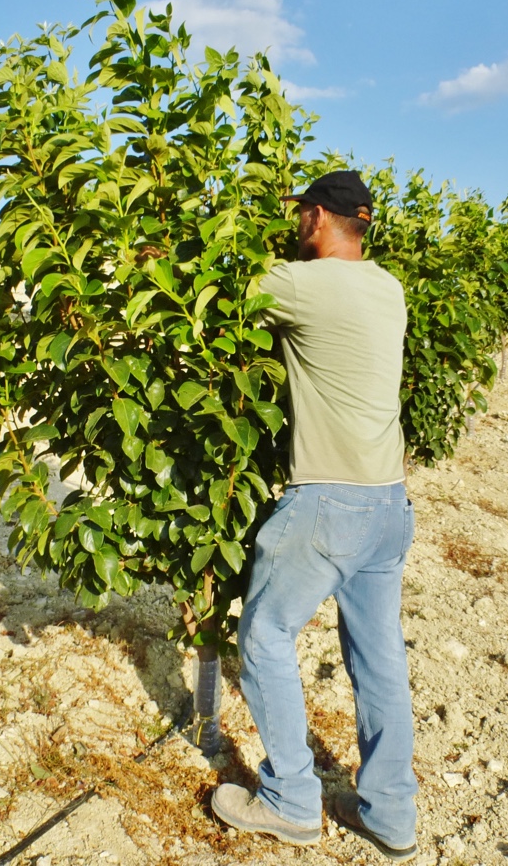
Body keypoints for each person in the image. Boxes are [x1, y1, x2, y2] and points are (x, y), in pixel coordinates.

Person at [210, 170, 418, 862]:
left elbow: (212, 292)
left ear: (322, 219)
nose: (294, 223)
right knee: (379, 656)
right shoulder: (389, 290)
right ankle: (391, 815)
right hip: (390, 501)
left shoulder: (299, 283)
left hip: (331, 502)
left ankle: (291, 802)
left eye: (301, 213)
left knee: (265, 634)